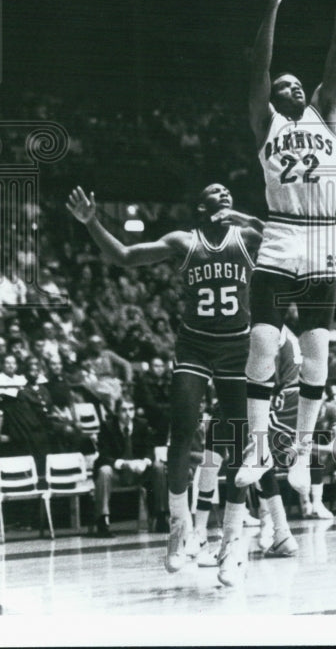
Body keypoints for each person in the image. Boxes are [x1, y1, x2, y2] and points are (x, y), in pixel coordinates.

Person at [67, 182, 262, 586]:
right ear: (200, 205)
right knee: (182, 433)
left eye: (228, 189)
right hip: (194, 345)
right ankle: (180, 526)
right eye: (215, 190)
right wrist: (92, 223)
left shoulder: (245, 235)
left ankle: (232, 540)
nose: (224, 191)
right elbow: (124, 256)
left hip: (234, 346)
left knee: (237, 444)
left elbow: (279, 234)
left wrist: (243, 216)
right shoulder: (183, 241)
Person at [235, 0, 336, 495]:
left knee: (317, 354)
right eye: (284, 84)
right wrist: (273, 7)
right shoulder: (265, 123)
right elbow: (258, 67)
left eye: (295, 83)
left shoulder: (325, 112)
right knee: (262, 340)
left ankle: (303, 454)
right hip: (281, 232)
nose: (292, 86)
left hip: (322, 238)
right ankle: (258, 448)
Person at [93, 397, 168, 536]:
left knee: (158, 467)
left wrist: (144, 462)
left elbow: (150, 449)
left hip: (139, 472)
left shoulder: (142, 424)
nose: (128, 413)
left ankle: (161, 517)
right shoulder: (107, 427)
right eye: (123, 410)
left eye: (131, 409)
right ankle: (102, 521)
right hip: (118, 473)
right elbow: (103, 456)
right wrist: (124, 464)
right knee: (104, 470)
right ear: (116, 412)